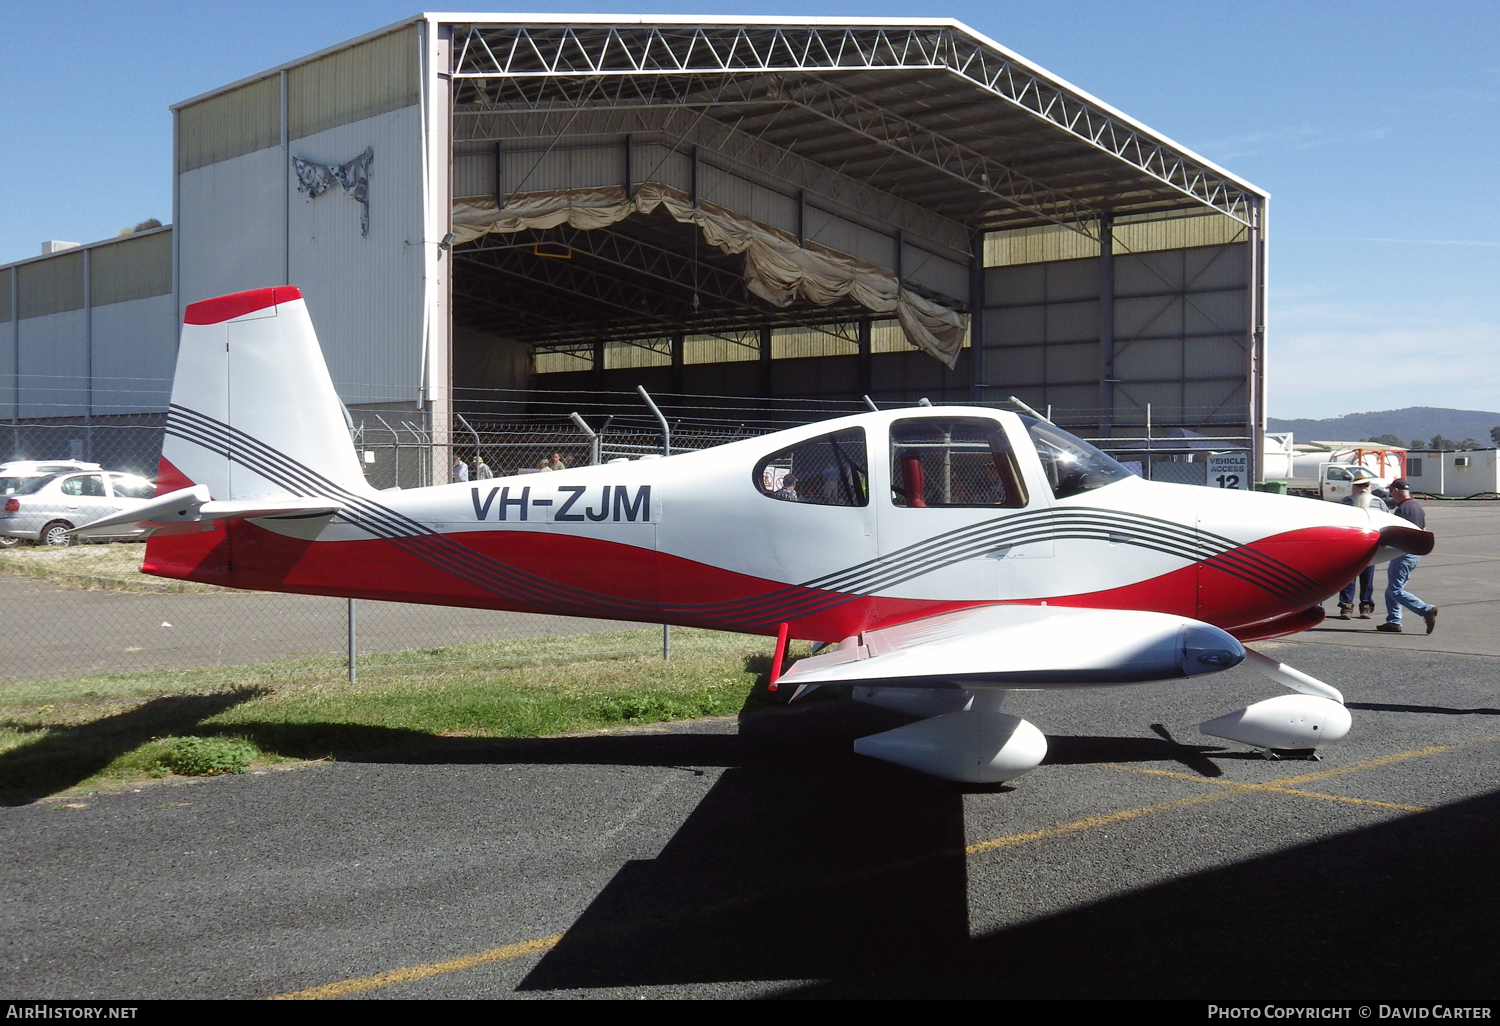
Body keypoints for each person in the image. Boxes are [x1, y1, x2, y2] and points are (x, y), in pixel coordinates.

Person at [1376, 478, 1437, 634]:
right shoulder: (1417, 507)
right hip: (1413, 553)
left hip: (1404, 553)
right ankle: (1394, 621)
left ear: (1396, 491)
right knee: (1392, 589)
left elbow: (1398, 534)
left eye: (1391, 492)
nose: (1390, 495)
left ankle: (1426, 610)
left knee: (1395, 590)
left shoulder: (1402, 510)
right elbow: (1423, 529)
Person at [1334, 479, 1387, 619]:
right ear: (1353, 487)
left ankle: (1366, 606)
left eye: (1365, 485)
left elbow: (1387, 520)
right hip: (1350, 546)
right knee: (1348, 578)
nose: (1362, 489)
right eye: (1359, 486)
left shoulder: (1378, 503)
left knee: (1367, 579)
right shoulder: (1346, 502)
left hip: (1372, 546)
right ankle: (1346, 606)